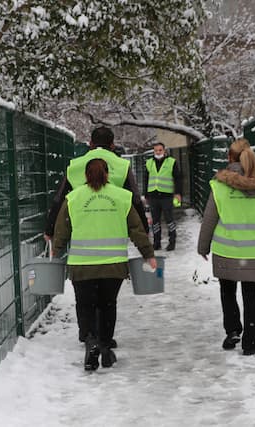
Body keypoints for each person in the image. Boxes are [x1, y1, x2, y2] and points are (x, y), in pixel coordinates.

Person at [44, 126, 149, 346]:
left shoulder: (75, 167)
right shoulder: (122, 166)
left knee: (85, 299)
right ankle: (104, 338)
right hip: (113, 245)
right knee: (107, 300)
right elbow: (135, 199)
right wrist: (143, 233)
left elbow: (60, 198)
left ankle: (89, 336)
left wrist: (50, 229)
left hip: (82, 249)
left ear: (89, 144)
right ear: (113, 145)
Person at [52, 158, 156, 371]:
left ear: (86, 176)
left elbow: (62, 228)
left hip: (82, 265)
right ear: (107, 175)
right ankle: (106, 347)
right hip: (113, 266)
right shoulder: (122, 197)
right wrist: (148, 254)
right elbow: (136, 229)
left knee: (85, 305)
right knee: (108, 305)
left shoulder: (73, 198)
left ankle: (90, 340)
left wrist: (57, 249)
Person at [196, 138, 255, 356]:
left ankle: (233, 330)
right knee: (251, 295)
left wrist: (203, 246)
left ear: (229, 158)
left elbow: (210, 218)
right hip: (254, 250)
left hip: (227, 249)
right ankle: (251, 343)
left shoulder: (220, 186)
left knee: (227, 291)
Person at [144, 142, 182, 251]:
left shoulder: (171, 162)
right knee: (155, 221)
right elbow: (146, 179)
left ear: (164, 150)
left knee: (169, 219)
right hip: (153, 196)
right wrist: (146, 194)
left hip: (167, 196)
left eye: (160, 150)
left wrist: (178, 193)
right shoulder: (149, 163)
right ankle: (156, 243)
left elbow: (178, 178)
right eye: (156, 150)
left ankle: (172, 242)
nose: (158, 152)